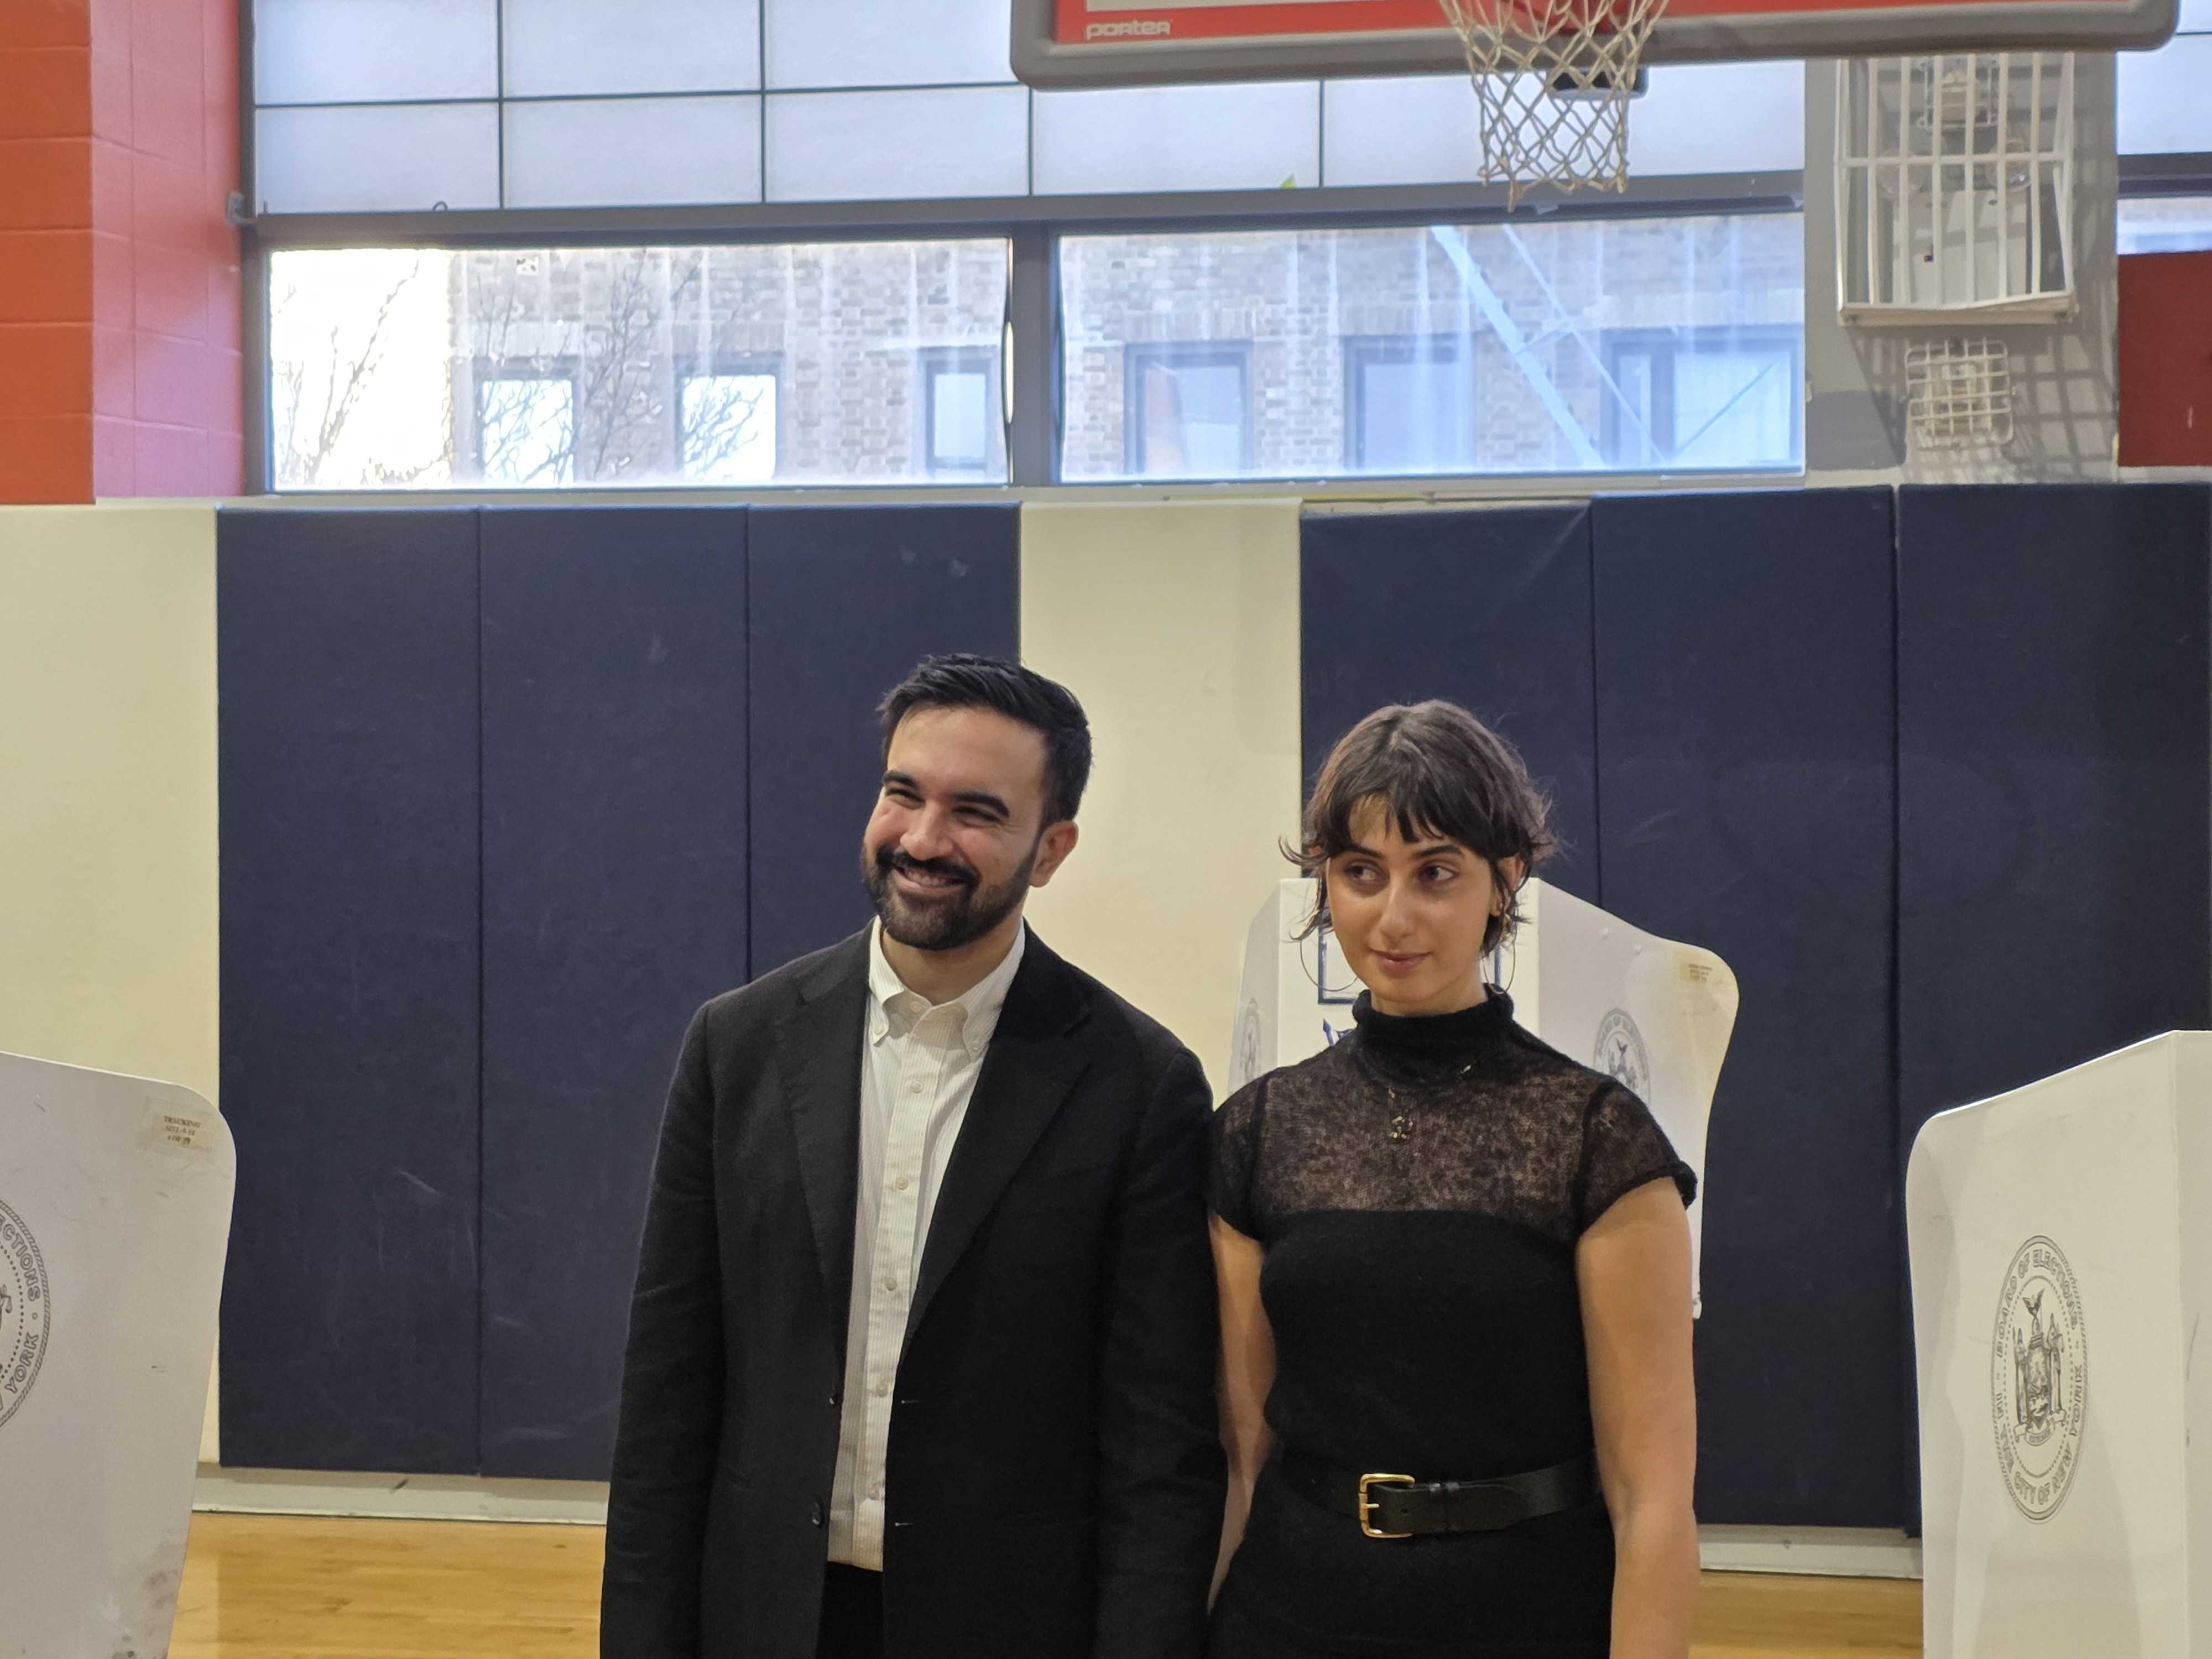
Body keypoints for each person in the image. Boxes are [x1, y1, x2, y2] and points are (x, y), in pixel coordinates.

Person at [601, 655, 1225, 1659]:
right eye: (904, 793)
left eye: (976, 811)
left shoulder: (1139, 1084)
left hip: (1011, 1625)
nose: (924, 840)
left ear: (1052, 847)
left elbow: (1160, 1451)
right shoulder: (738, 1046)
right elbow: (667, 1396)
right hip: (762, 1616)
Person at [1208, 701, 1699, 1659]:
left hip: (1526, 1613)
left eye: (1435, 874)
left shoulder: (1595, 1136)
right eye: (1360, 874)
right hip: (1289, 1613)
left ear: (1503, 881)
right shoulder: (1258, 1131)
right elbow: (1240, 1461)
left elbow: (1652, 1498)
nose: (1393, 917)